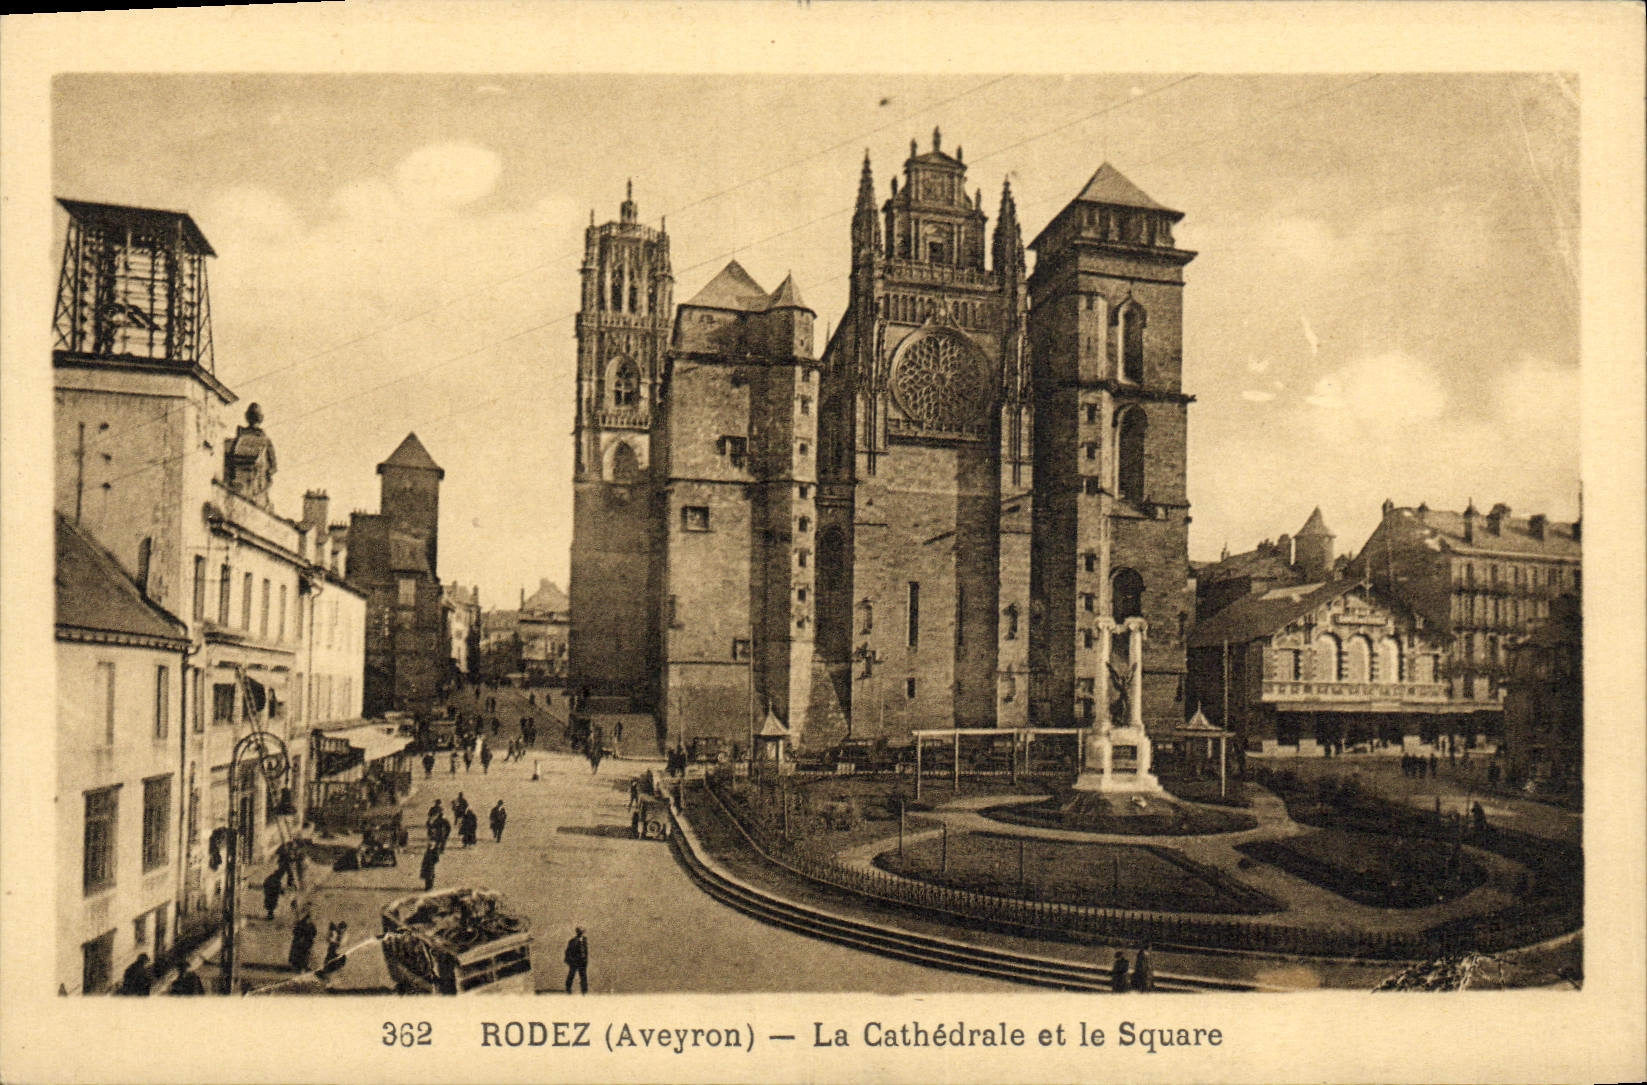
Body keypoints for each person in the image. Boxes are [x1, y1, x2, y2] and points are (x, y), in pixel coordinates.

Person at [564, 928, 589, 994]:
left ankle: (584, 990)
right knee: (571, 975)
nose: (580, 933)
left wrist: (586, 960)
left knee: (583, 976)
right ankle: (568, 988)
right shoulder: (572, 941)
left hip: (583, 961)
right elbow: (568, 951)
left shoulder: (584, 940)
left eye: (581, 932)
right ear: (577, 932)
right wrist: (570, 960)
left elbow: (586, 951)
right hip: (575, 961)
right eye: (579, 932)